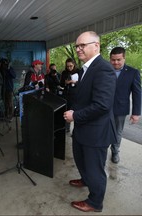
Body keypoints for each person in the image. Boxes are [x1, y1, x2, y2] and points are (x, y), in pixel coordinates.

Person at [63, 31, 117, 212]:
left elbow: (102, 105)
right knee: (82, 161)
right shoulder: (85, 68)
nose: (78, 49)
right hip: (83, 130)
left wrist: (75, 116)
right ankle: (86, 179)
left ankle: (95, 202)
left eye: (82, 45)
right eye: (77, 46)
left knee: (95, 170)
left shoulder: (103, 68)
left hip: (95, 132)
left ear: (96, 46)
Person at [109, 47, 141, 163]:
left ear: (124, 58)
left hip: (120, 109)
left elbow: (137, 93)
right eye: (113, 60)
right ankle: (101, 151)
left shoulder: (133, 72)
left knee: (117, 132)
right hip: (103, 108)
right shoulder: (105, 70)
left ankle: (115, 152)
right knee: (102, 130)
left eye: (118, 60)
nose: (116, 62)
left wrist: (136, 113)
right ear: (110, 59)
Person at [60, 58, 79, 132]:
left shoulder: (78, 71)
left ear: (74, 64)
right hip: (67, 94)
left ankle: (76, 130)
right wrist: (65, 82)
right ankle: (67, 128)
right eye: (68, 66)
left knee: (76, 112)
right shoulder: (64, 72)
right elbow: (61, 83)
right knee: (66, 111)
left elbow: (83, 83)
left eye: (71, 66)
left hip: (75, 94)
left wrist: (75, 82)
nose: (69, 68)